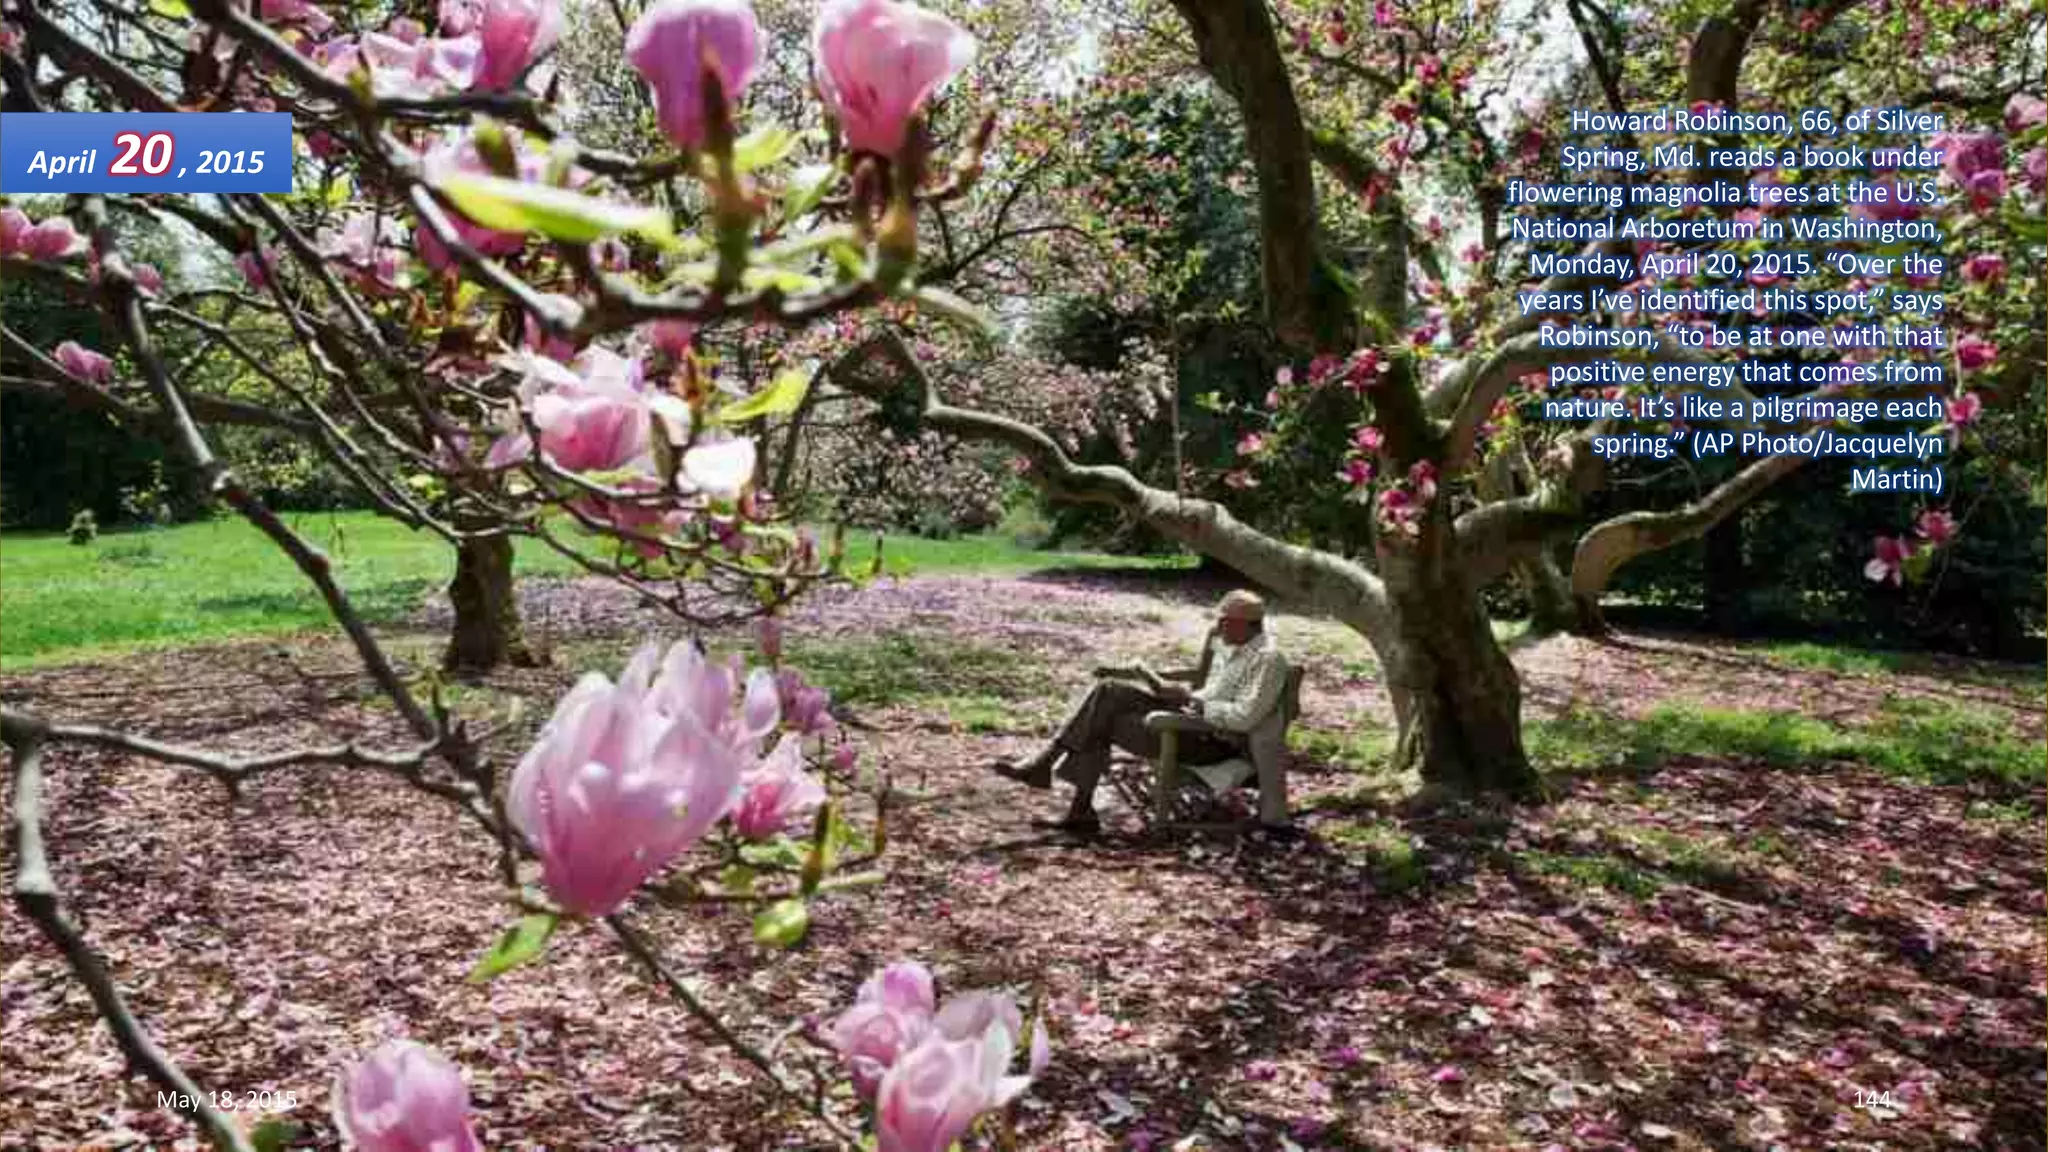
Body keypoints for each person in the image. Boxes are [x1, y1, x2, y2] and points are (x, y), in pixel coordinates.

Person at [990, 589, 1289, 834]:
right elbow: (1211, 692)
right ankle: (1058, 782)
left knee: (1102, 716)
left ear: (1244, 624)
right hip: (1193, 715)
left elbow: (1246, 718)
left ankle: (1060, 784)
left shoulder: (1268, 660)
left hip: (1211, 742)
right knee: (1107, 691)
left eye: (1224, 621)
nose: (1218, 627)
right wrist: (1176, 693)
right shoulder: (1234, 648)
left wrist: (1193, 701)